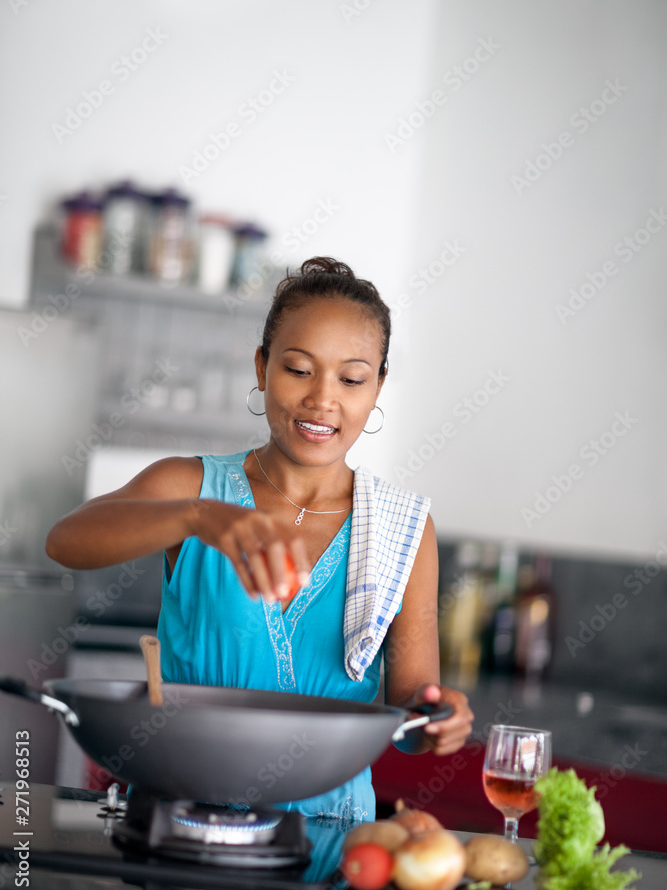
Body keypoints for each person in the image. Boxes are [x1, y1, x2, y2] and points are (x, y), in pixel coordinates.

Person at [46, 256, 473, 827]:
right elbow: (66, 541)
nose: (324, 399)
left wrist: (438, 721)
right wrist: (198, 518)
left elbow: (411, 718)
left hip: (333, 838)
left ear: (377, 388)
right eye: (299, 369)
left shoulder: (404, 530)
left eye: (351, 379)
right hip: (183, 819)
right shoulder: (191, 486)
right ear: (262, 366)